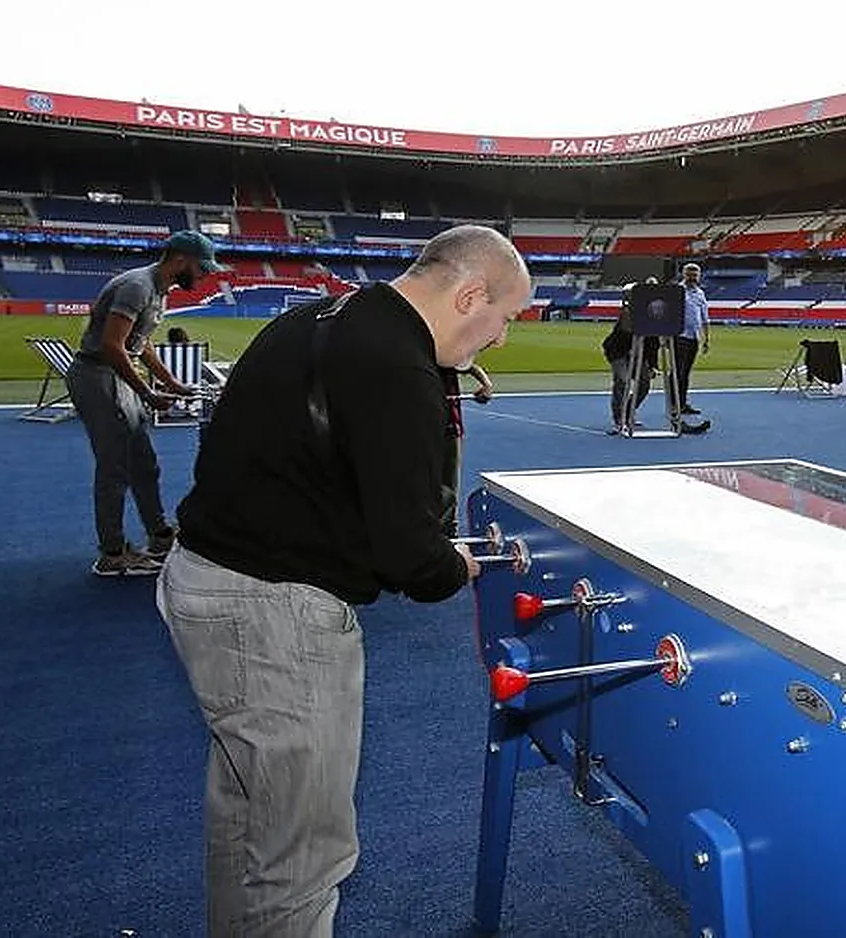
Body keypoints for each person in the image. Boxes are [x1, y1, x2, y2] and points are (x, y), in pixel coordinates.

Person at [157, 225, 532, 936]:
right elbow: (411, 559)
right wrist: (457, 564)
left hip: (202, 580)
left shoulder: (314, 318)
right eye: (503, 318)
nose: (500, 338)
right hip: (276, 618)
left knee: (245, 822)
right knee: (301, 860)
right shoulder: (400, 370)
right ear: (470, 294)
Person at [68, 231, 224, 577]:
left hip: (114, 377)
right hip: (99, 377)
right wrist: (147, 393)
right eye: (202, 268)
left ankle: (160, 535)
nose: (205, 275)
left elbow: (142, 342)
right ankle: (112, 553)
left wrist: (170, 383)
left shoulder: (158, 289)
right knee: (115, 468)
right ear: (180, 260)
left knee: (144, 464)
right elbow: (112, 345)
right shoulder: (137, 287)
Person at [439, 361, 495, 535]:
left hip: (449, 427)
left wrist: (486, 385)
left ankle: (448, 531)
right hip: (421, 427)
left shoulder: (444, 353)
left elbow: (468, 365)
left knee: (448, 483)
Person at [602, 284, 654, 434]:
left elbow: (653, 342)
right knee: (622, 381)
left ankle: (628, 411)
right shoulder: (626, 312)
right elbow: (628, 329)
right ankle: (619, 418)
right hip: (618, 352)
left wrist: (652, 364)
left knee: (644, 384)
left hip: (639, 353)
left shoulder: (653, 313)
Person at [674, 262, 710, 415]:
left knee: (685, 373)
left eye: (695, 274)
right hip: (679, 336)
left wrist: (706, 339)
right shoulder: (676, 291)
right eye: (689, 274)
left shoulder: (700, 293)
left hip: (694, 337)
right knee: (677, 373)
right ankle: (674, 404)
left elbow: (704, 318)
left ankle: (682, 403)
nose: (692, 277)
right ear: (683, 274)